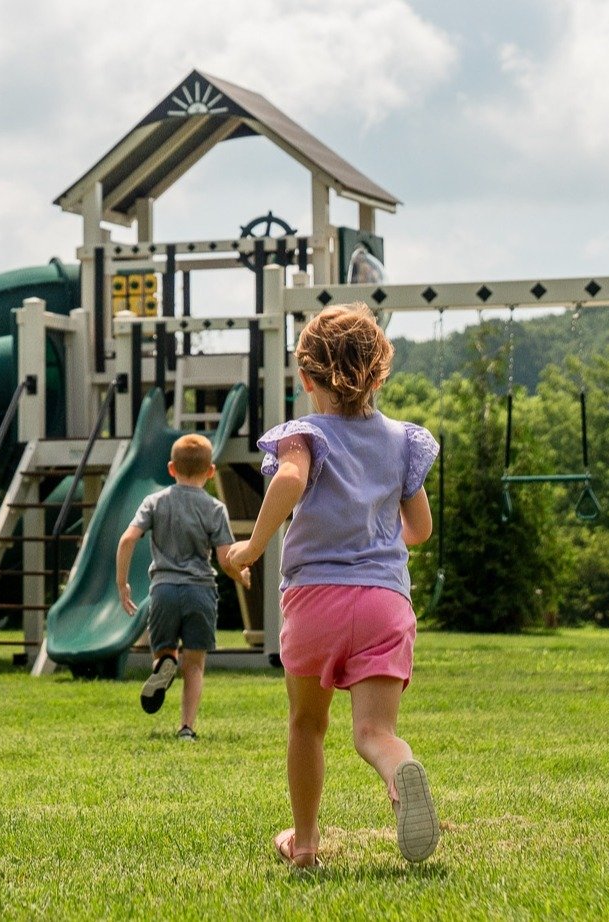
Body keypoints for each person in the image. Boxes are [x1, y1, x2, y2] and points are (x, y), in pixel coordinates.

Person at [228, 303, 440, 868]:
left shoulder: (303, 435)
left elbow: (291, 479)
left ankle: (304, 845)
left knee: (307, 724)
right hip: (384, 604)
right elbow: (419, 529)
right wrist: (374, 530)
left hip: (316, 600)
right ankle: (399, 772)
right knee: (374, 733)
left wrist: (250, 547)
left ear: (305, 378)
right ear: (379, 374)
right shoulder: (402, 441)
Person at [116, 433, 249, 741]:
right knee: (195, 665)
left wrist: (123, 584)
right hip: (200, 591)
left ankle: (164, 662)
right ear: (211, 471)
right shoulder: (215, 508)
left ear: (171, 468)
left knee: (164, 649)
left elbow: (127, 539)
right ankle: (186, 728)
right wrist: (241, 576)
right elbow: (226, 558)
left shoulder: (154, 501)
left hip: (163, 589)